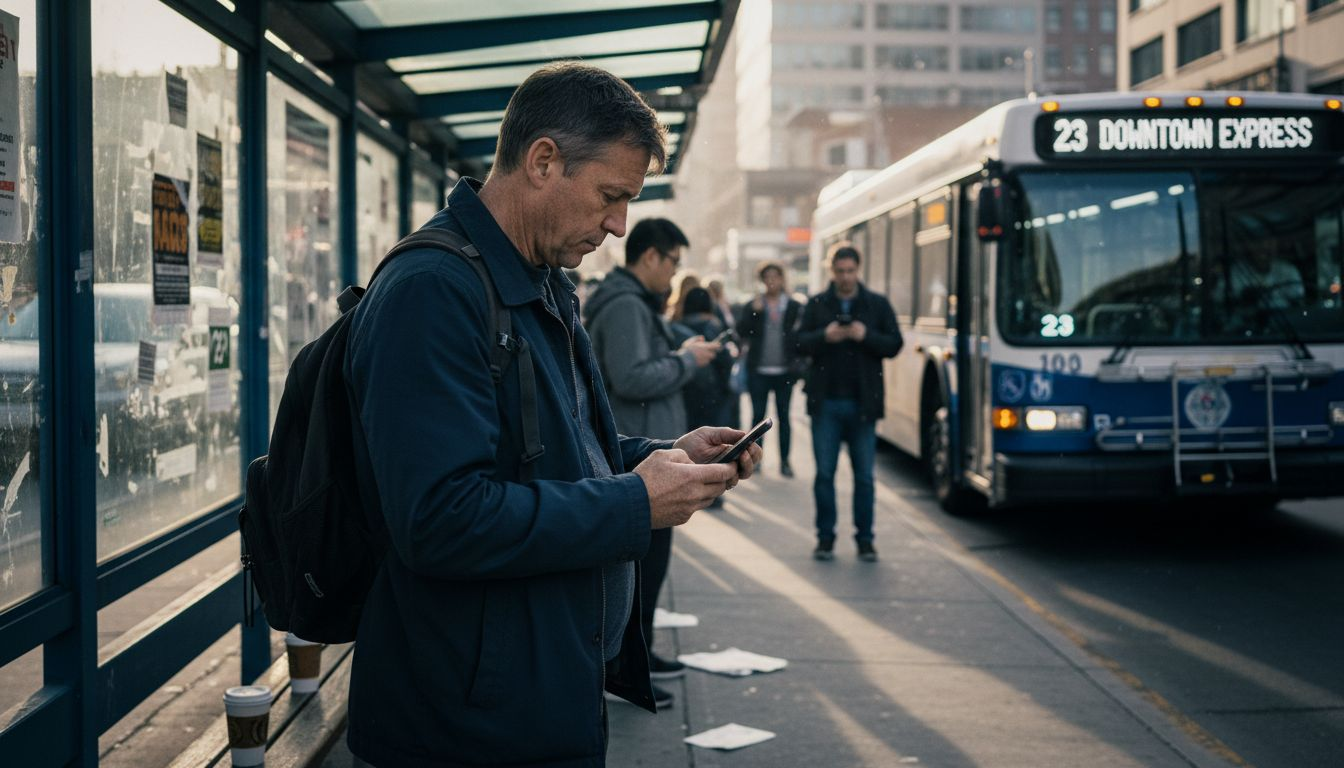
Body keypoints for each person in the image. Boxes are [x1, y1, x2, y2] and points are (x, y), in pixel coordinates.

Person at [343, 63, 760, 767]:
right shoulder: (433, 292)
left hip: (531, 694)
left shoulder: (538, 282)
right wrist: (635, 502)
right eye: (610, 195)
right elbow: (440, 520)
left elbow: (560, 453)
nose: (619, 225)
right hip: (463, 728)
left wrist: (662, 456)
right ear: (543, 161)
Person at [582, 217, 723, 709]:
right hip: (634, 463)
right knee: (640, 570)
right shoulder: (624, 305)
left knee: (648, 569)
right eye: (673, 262)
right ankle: (624, 668)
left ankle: (639, 654)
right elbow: (633, 376)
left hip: (642, 453)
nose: (674, 273)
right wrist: (687, 361)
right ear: (651, 258)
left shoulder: (634, 302)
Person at [797, 242, 902, 563]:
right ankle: (825, 538)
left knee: (865, 478)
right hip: (826, 402)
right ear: (832, 271)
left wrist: (864, 335)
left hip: (863, 404)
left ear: (858, 270)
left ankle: (865, 539)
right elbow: (798, 343)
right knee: (825, 475)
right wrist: (824, 337)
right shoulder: (817, 304)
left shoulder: (876, 304)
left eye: (850, 271)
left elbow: (894, 344)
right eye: (840, 271)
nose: (845, 277)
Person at [738, 261, 805, 477]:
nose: (771, 281)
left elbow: (800, 337)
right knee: (757, 418)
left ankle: (785, 461)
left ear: (782, 279)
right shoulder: (755, 305)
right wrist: (754, 313)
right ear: (762, 280)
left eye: (775, 276)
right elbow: (741, 331)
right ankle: (754, 461)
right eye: (767, 277)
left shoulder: (793, 306)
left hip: (785, 371)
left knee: (784, 417)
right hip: (759, 370)